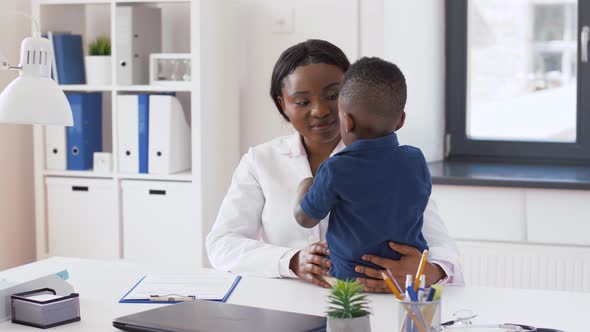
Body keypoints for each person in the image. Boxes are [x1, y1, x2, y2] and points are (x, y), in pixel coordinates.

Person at [206, 39, 464, 291]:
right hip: (287, 309)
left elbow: (443, 249)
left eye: (333, 95)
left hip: (377, 307)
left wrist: (427, 272)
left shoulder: (396, 163)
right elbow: (222, 245)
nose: (320, 110)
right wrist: (291, 262)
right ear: (282, 104)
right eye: (302, 101)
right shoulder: (260, 161)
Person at [293, 57, 430, 281]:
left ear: (346, 121)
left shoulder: (335, 169)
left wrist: (306, 185)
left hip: (349, 282)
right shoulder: (416, 159)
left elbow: (305, 218)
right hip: (403, 282)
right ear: (401, 120)